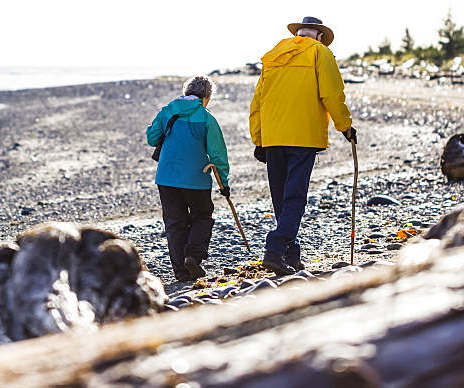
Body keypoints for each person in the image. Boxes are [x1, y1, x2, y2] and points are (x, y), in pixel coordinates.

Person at [249, 16, 356, 275]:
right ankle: (275, 246)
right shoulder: (320, 52)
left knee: (280, 198)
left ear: (299, 34)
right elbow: (331, 93)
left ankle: (290, 255)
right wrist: (345, 126)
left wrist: (259, 138)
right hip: (303, 136)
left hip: (273, 136)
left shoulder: (273, 56)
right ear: (319, 36)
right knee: (295, 197)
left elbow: (258, 102)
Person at [147, 75, 230, 282]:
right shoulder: (207, 117)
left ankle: (181, 272)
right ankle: (193, 256)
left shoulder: (167, 111)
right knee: (202, 215)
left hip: (166, 177)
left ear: (186, 92)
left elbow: (151, 138)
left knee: (175, 223)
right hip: (197, 177)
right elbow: (218, 154)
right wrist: (224, 184)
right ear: (207, 97)